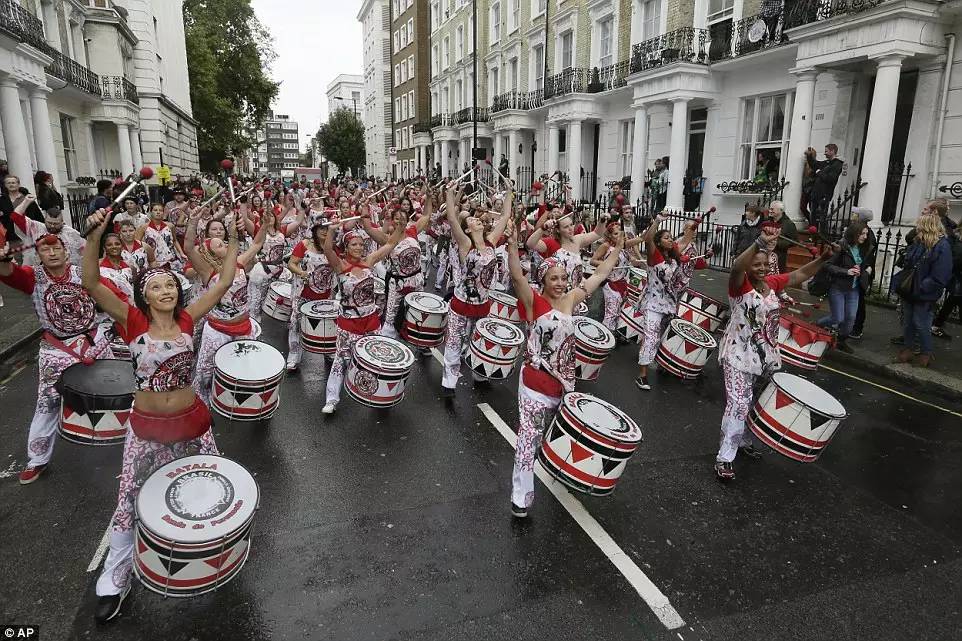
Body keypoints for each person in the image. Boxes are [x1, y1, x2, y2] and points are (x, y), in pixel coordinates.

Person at [81, 208, 239, 623]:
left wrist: (236, 237)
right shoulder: (131, 322)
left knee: (208, 490)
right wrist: (95, 236)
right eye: (157, 285)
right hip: (147, 428)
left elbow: (224, 280)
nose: (166, 289)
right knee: (128, 499)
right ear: (144, 295)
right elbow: (91, 282)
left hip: (191, 422)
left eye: (172, 284)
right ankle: (116, 576)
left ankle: (212, 557)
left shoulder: (189, 318)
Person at [505, 216, 624, 518]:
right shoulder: (534, 302)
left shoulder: (571, 298)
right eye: (553, 278)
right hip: (534, 382)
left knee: (563, 434)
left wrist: (617, 248)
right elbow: (517, 276)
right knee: (527, 439)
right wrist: (511, 243)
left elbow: (600, 276)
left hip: (564, 384)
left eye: (563, 278)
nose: (560, 283)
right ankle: (521, 497)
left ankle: (564, 471)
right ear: (543, 281)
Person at [714, 226, 833, 481]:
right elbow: (736, 266)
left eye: (765, 263)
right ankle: (725, 458)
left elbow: (799, 274)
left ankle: (743, 440)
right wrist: (758, 243)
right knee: (738, 404)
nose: (762, 267)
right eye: (756, 264)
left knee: (754, 401)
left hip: (765, 356)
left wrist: (822, 259)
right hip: (737, 354)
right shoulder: (739, 286)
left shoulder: (772, 283)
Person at [0, 225, 113, 484]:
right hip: (56, 350)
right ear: (38, 254)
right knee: (47, 403)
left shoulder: (85, 272)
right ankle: (37, 459)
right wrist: (3, 258)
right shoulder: (32, 277)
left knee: (114, 390)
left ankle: (127, 442)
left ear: (65, 250)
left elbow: (111, 296)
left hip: (92, 342)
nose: (51, 253)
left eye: (56, 247)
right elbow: (8, 272)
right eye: (44, 249)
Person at [320, 214, 405, 414]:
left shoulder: (370, 262)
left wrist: (400, 227)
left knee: (376, 359)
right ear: (347, 247)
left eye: (360, 244)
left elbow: (391, 243)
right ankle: (331, 400)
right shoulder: (340, 266)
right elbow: (327, 248)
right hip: (348, 323)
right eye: (354, 245)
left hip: (371, 321)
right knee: (341, 360)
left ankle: (379, 396)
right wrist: (332, 229)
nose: (358, 248)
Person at [183, 206, 267, 405]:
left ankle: (242, 402)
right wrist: (193, 222)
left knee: (246, 369)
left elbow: (257, 243)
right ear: (210, 252)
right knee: (205, 371)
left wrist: (265, 223)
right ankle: (202, 403)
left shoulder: (238, 262)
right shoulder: (206, 271)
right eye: (220, 245)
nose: (224, 245)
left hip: (243, 327)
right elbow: (188, 248)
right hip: (217, 329)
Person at [440, 186, 511, 396]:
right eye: (471, 220)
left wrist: (508, 193)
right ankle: (448, 383)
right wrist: (450, 194)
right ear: (468, 229)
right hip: (461, 303)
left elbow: (506, 215)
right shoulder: (465, 243)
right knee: (454, 341)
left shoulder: (491, 242)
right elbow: (452, 219)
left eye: (477, 219)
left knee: (478, 341)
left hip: (482, 305)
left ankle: (479, 376)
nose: (477, 219)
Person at [891, 213, 953, 367]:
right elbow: (909, 262)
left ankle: (926, 352)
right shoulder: (919, 242)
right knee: (908, 322)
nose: (917, 230)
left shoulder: (942, 246)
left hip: (924, 293)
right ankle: (908, 349)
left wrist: (922, 286)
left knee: (921, 323)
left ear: (928, 228)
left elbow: (941, 275)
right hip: (910, 289)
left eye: (920, 228)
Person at [286, 222, 335, 372]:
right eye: (321, 228)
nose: (324, 231)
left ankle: (329, 352)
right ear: (314, 229)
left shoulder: (332, 247)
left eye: (327, 229)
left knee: (327, 324)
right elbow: (291, 263)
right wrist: (301, 273)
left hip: (325, 294)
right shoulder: (304, 244)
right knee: (296, 323)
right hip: (303, 293)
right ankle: (294, 356)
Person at [816, 222, 871, 353]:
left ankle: (840, 340)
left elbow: (863, 265)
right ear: (854, 233)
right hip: (838, 287)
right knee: (837, 318)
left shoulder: (863, 248)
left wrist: (865, 270)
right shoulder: (841, 246)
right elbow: (827, 265)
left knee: (850, 319)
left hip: (854, 289)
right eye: (862, 233)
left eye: (866, 234)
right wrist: (847, 271)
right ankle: (817, 325)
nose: (865, 237)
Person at [589, 220, 645, 333]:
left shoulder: (623, 247)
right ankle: (605, 339)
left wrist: (640, 262)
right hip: (611, 285)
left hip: (623, 284)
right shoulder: (606, 246)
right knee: (611, 313)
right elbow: (593, 261)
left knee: (619, 312)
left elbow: (641, 239)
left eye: (621, 234)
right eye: (615, 234)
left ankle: (614, 334)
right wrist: (607, 264)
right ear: (609, 235)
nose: (619, 237)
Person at [5, 194, 86, 267]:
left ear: (62, 222)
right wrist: (26, 201)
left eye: (56, 224)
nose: (52, 226)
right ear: (45, 219)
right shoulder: (35, 227)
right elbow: (15, 216)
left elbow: (86, 251)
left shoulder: (72, 233)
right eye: (49, 222)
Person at [848, 207, 877, 339]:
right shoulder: (855, 230)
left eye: (855, 213)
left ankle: (857, 328)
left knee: (859, 301)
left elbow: (868, 255)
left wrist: (865, 270)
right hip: (855, 270)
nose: (852, 215)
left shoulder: (867, 234)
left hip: (862, 272)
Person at [931, 224, 962, 339]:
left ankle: (936, 324)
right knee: (953, 300)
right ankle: (935, 325)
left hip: (956, 280)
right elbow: (956, 260)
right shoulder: (957, 241)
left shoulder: (954, 239)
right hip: (958, 279)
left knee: (951, 302)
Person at [805, 144, 843, 229]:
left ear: (832, 151)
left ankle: (822, 237)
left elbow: (831, 178)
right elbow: (814, 164)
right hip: (815, 194)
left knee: (822, 218)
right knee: (813, 217)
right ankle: (813, 235)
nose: (824, 153)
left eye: (826, 151)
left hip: (825, 195)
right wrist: (809, 156)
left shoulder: (837, 164)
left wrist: (819, 173)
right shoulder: (825, 163)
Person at [767, 201, 797, 274]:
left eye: (772, 209)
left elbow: (794, 241)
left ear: (780, 210)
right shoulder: (767, 222)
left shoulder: (789, 224)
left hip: (779, 255)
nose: (770, 211)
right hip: (766, 254)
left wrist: (777, 243)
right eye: (770, 209)